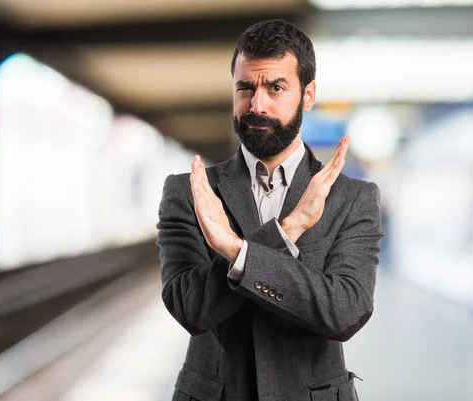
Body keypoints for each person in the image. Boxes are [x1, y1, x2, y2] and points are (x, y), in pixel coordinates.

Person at [157, 19, 383, 401]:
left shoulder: (352, 198)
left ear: (308, 95)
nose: (256, 105)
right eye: (245, 88)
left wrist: (236, 251)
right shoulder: (189, 191)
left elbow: (344, 312)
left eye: (276, 87)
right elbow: (191, 309)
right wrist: (289, 229)